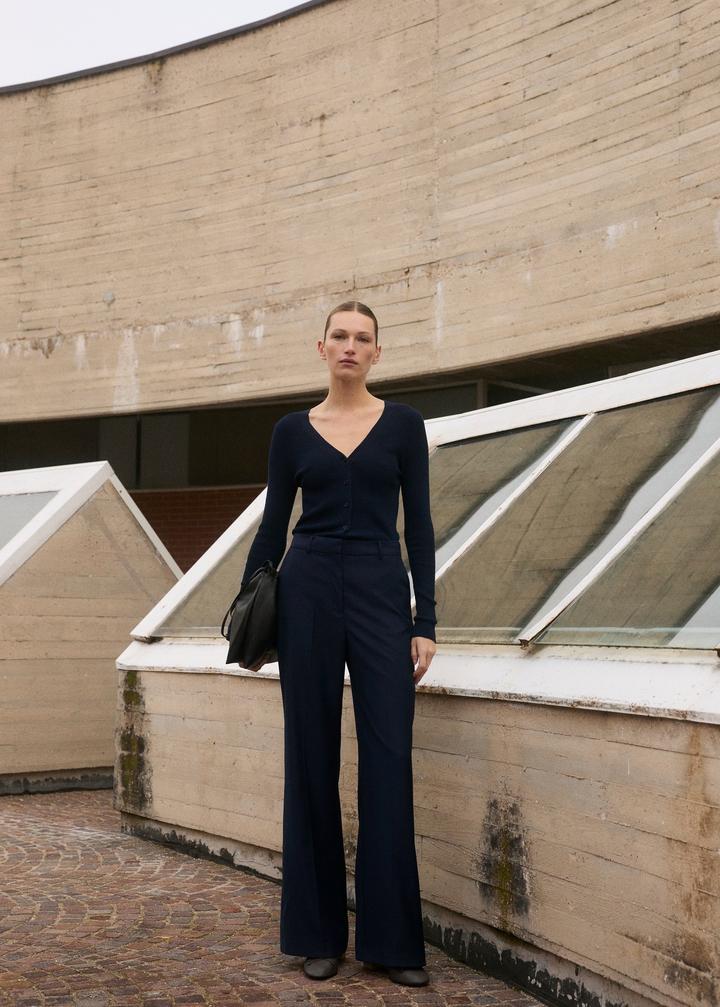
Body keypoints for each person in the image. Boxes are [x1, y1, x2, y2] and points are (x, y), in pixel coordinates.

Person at [240, 301, 437, 986]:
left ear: (377, 352)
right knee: (310, 757)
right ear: (321, 348)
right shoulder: (291, 432)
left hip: (382, 588)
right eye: (340, 336)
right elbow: (272, 528)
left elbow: (420, 528)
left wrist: (425, 621)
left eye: (363, 338)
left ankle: (393, 943)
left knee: (389, 759)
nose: (351, 346)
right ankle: (316, 934)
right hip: (309, 589)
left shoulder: (404, 425)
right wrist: (250, 620)